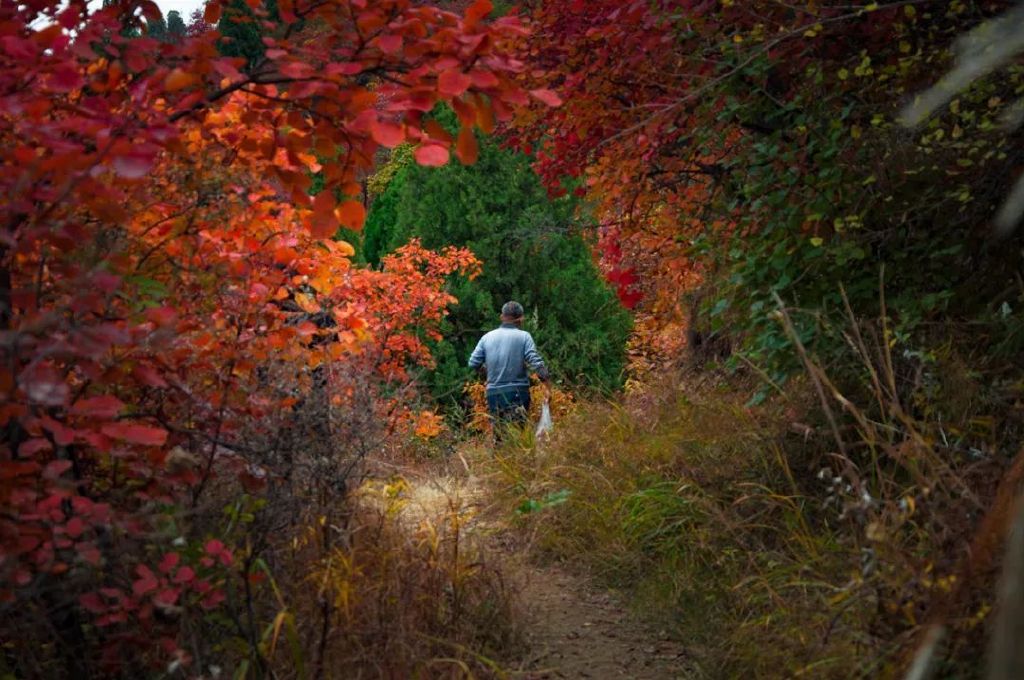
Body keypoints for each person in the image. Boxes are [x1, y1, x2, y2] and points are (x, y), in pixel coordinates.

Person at [468, 301, 550, 439]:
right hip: (517, 393)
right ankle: (518, 461)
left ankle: (498, 459)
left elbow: (473, 363)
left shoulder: (486, 338)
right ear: (521, 319)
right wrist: (547, 383)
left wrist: (486, 374)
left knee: (499, 437)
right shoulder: (524, 336)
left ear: (502, 317)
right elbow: (535, 361)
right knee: (517, 436)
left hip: (494, 394)